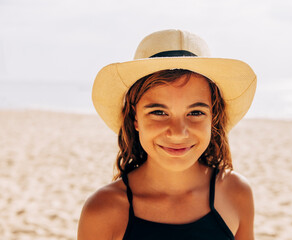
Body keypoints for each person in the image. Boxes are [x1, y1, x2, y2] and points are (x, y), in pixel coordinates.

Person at [77, 29, 257, 240]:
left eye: (196, 112)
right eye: (159, 112)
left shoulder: (236, 193)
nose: (178, 133)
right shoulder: (103, 211)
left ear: (213, 117)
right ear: (135, 118)